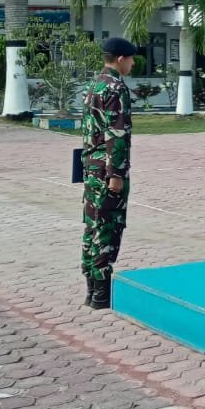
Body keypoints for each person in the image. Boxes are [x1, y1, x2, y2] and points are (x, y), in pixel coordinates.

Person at [80, 37, 139, 309]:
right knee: (107, 229)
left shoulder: (94, 85)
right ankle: (101, 294)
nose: (132, 64)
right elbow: (116, 133)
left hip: (92, 165)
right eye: (131, 59)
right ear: (120, 59)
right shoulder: (116, 87)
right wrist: (116, 174)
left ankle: (92, 291)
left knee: (92, 226)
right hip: (107, 169)